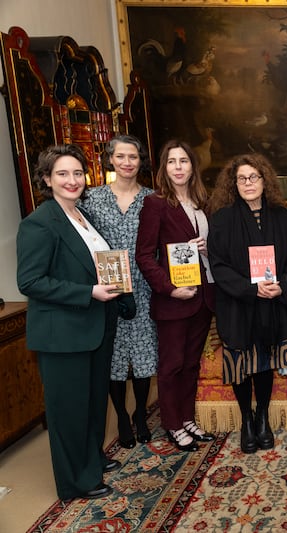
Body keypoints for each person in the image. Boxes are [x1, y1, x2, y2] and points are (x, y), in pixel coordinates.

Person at [16, 144, 135, 501]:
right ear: (47, 179)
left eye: (78, 173)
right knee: (69, 410)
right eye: (62, 174)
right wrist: (89, 293)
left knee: (93, 402)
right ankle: (75, 482)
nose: (72, 180)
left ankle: (91, 460)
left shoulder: (85, 217)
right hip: (63, 334)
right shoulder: (39, 222)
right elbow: (31, 282)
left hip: (94, 327)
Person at [208, 154, 287, 453]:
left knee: (265, 364)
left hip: (272, 303)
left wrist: (281, 286)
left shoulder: (283, 217)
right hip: (238, 304)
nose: (248, 183)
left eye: (253, 177)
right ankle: (246, 418)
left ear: (265, 180)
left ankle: (262, 418)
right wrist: (250, 288)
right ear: (234, 183)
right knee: (242, 367)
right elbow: (218, 266)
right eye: (242, 178)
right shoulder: (221, 218)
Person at [136, 140, 216, 452]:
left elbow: (211, 246)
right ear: (163, 168)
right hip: (173, 299)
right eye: (172, 161)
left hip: (203, 295)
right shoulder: (156, 204)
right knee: (171, 365)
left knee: (192, 364)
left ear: (193, 166)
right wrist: (170, 288)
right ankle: (172, 424)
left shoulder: (203, 202)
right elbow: (144, 256)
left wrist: (208, 249)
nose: (179, 167)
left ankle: (187, 418)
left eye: (184, 161)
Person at [82, 134, 157, 449]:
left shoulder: (153, 198)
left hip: (144, 285)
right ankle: (122, 417)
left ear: (141, 161)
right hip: (109, 287)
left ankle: (140, 413)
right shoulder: (91, 198)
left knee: (143, 355)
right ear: (110, 159)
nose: (128, 162)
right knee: (113, 357)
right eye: (121, 156)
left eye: (134, 157)